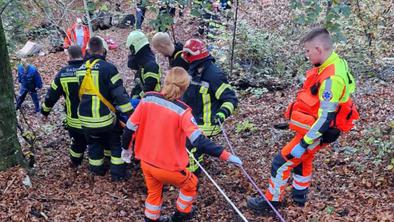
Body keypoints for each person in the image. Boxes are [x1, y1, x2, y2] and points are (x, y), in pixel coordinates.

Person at [247, 28, 359, 213]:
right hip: (314, 127)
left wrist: (305, 142)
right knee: (302, 161)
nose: (307, 55)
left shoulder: (332, 78)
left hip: (318, 132)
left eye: (308, 51)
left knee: (281, 161)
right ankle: (299, 199)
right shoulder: (333, 63)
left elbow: (325, 119)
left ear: (318, 49)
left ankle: (270, 203)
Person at [121, 67, 242, 222]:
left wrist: (126, 149)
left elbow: (129, 129)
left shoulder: (147, 99)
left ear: (165, 81)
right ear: (185, 88)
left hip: (146, 162)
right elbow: (199, 141)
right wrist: (227, 156)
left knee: (154, 192)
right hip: (169, 167)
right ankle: (181, 216)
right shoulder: (183, 112)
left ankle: (151, 219)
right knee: (191, 183)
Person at [77, 37, 133, 181]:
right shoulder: (108, 68)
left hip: (85, 120)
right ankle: (117, 174)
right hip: (105, 119)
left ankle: (97, 172)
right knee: (115, 142)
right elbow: (119, 94)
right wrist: (131, 114)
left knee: (94, 143)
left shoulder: (80, 69)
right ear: (103, 49)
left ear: (88, 50)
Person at [181, 38, 238, 175]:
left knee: (190, 144)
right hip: (193, 118)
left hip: (208, 121)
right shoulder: (193, 70)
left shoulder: (214, 75)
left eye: (187, 55)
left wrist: (221, 114)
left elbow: (231, 99)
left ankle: (192, 177)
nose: (185, 58)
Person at [41, 46, 87, 167]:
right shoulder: (91, 69)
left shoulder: (63, 73)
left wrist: (44, 111)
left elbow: (52, 95)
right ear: (82, 54)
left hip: (74, 121)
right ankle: (99, 168)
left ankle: (75, 164)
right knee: (96, 143)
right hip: (95, 119)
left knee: (77, 144)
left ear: (70, 56)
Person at [126, 30, 161, 99]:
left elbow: (150, 87)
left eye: (131, 49)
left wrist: (138, 98)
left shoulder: (151, 65)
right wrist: (134, 97)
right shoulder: (142, 64)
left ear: (135, 47)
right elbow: (138, 85)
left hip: (152, 101)